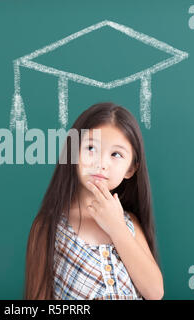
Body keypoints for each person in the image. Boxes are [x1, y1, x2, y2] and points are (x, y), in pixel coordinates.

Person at [24, 102, 163, 300]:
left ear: (131, 169)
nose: (101, 163)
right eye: (90, 148)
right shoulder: (48, 227)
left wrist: (116, 227)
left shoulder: (130, 224)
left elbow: (155, 292)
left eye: (116, 154)